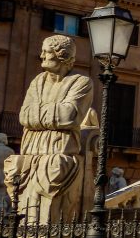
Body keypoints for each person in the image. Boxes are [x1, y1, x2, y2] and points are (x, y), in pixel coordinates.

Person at [5, 35, 93, 222]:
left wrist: (38, 114)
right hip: (31, 153)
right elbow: (24, 115)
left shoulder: (81, 82)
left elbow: (69, 115)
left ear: (62, 55)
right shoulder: (38, 81)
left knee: (53, 219)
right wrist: (54, 114)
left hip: (59, 155)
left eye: (47, 51)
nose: (42, 55)